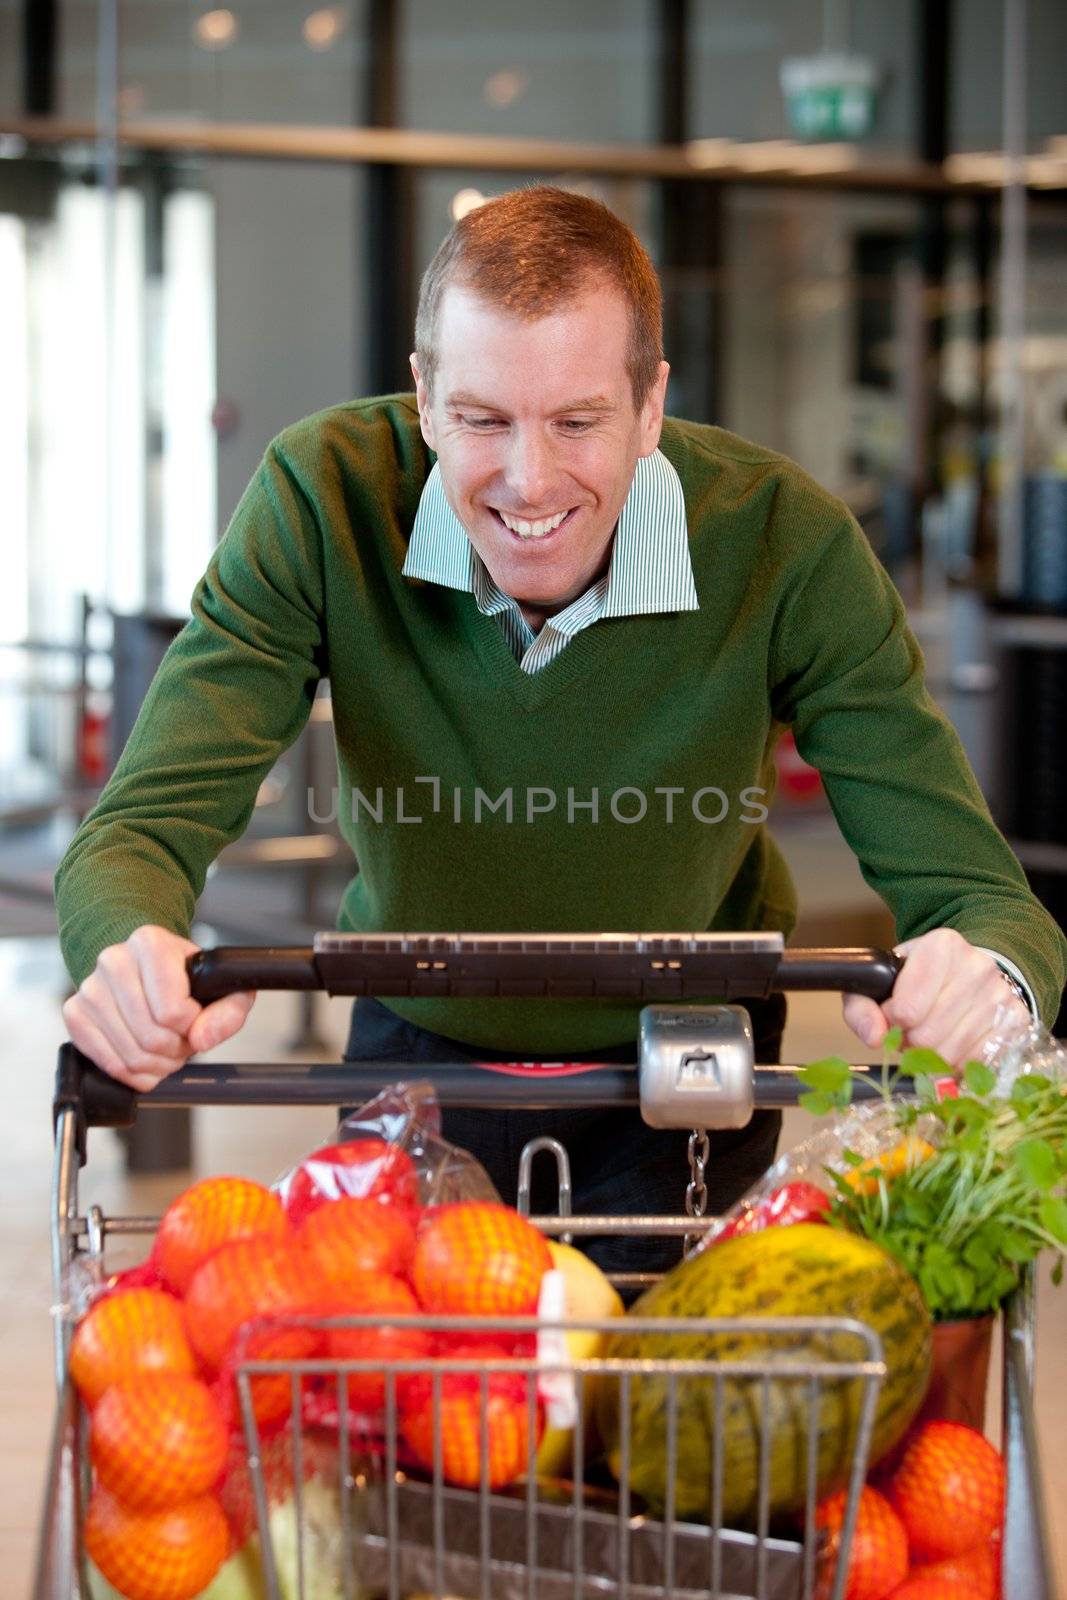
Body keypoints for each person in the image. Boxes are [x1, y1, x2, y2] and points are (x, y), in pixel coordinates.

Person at [56, 186, 1064, 1268]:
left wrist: (985, 977)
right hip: (410, 1054)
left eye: (577, 420)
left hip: (690, 1070)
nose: (526, 481)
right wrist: (128, 951)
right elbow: (140, 831)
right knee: (417, 1423)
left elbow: (983, 901)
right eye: (482, 419)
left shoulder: (785, 543)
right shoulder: (322, 496)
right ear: (424, 399)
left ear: (649, 407)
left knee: (662, 1433)